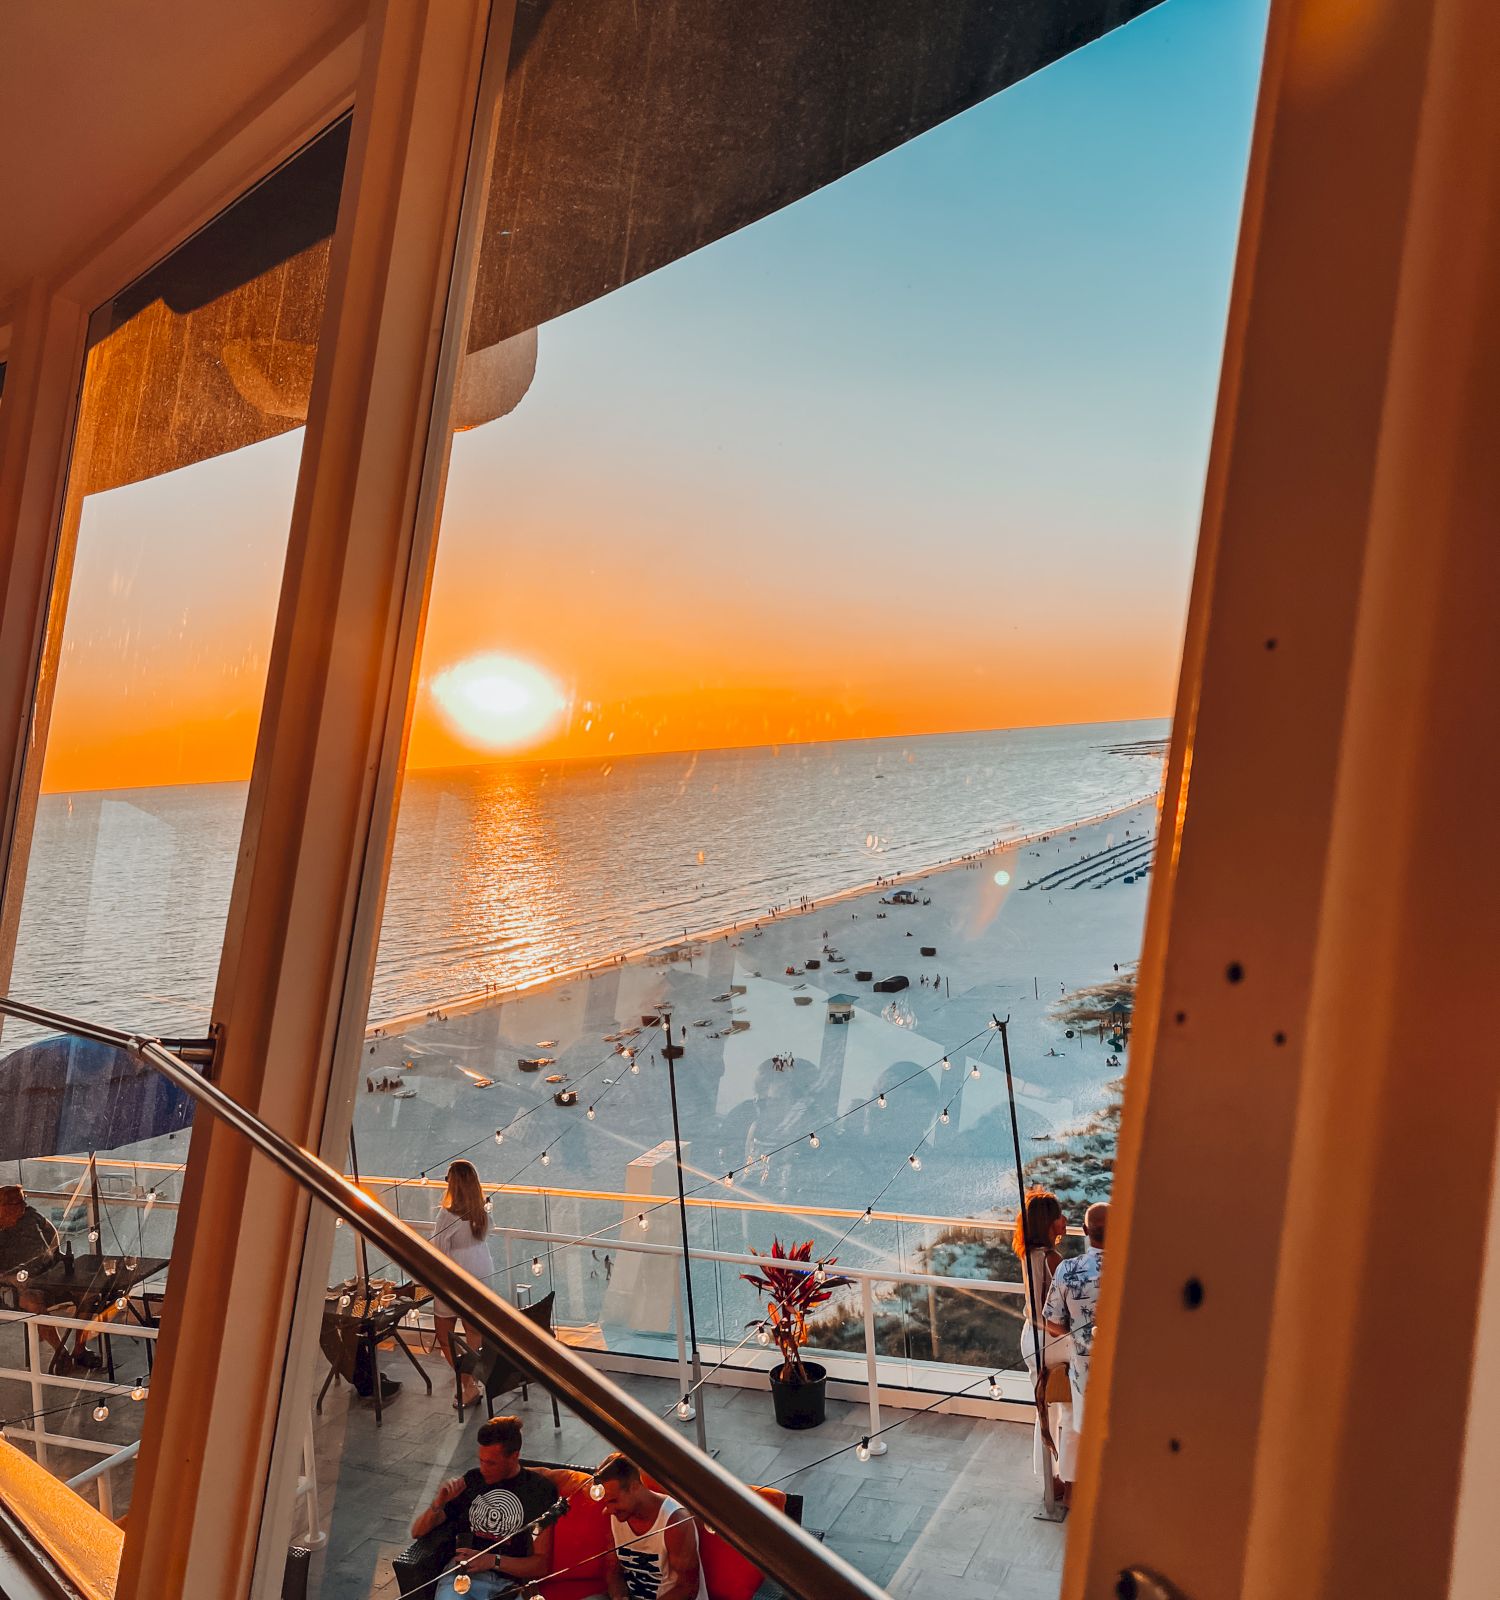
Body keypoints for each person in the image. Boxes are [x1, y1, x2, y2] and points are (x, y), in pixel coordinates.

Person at [410, 1415, 559, 1598]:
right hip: (463, 1579)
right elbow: (417, 1532)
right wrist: (438, 1504)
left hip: (510, 1584)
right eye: (481, 1460)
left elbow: (541, 1565)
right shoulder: (472, 1481)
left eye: (491, 1463)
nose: (483, 1469)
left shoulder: (539, 1491)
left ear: (514, 1456)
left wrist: (492, 1561)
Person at [1011, 1188, 1078, 1497]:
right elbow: (1048, 1312)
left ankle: (1048, 1481)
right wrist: (1065, 1331)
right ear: (1049, 1224)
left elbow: (1032, 1309)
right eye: (1059, 1216)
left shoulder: (1028, 1255)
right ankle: (1067, 1479)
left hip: (1029, 1341)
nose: (1064, 1220)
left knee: (1043, 1405)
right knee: (1068, 1408)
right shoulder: (1053, 1259)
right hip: (1050, 1341)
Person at [0, 1185, 97, 1374]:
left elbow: (51, 1235)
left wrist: (57, 1256)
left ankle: (80, 1349)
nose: (23, 1204)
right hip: (17, 1286)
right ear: (2, 1206)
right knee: (33, 1302)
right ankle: (61, 1353)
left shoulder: (31, 1216)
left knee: (88, 1291)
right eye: (17, 1202)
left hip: (50, 1275)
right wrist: (9, 1278)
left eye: (23, 1199)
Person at [592, 1454, 707, 1600]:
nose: (609, 1509)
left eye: (614, 1500)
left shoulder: (675, 1522)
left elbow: (687, 1588)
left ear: (635, 1487)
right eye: (606, 1502)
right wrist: (619, 1597)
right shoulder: (614, 1515)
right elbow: (613, 1569)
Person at [430, 1160, 494, 1407]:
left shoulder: (446, 1216)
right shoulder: (482, 1212)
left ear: (453, 1185)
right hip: (481, 1271)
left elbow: (440, 1252)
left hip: (455, 1277)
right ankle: (470, 1384)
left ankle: (466, 1384)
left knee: (444, 1334)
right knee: (473, 1332)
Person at [1044, 1201, 1108, 1443]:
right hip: (1127, 1372)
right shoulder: (1135, 1269)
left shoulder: (1067, 1270)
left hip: (1085, 1373)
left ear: (1084, 1230)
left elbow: (1051, 1325)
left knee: (1089, 1437)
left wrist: (1077, 1333)